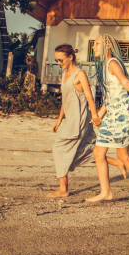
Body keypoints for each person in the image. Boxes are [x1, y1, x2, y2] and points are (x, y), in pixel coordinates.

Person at [86, 34, 129, 207]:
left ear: (107, 46)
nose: (94, 48)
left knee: (123, 155)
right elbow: (110, 96)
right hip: (112, 115)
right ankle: (106, 191)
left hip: (121, 115)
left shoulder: (113, 63)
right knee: (99, 153)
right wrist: (99, 114)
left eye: (97, 44)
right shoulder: (106, 66)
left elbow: (125, 82)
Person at [48, 44, 100, 198]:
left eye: (61, 60)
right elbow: (65, 99)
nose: (59, 63)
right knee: (84, 149)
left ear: (70, 57)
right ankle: (117, 162)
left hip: (79, 118)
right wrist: (59, 120)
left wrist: (95, 115)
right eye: (56, 60)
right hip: (70, 118)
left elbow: (90, 96)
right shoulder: (64, 76)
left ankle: (63, 189)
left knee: (59, 147)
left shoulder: (80, 74)